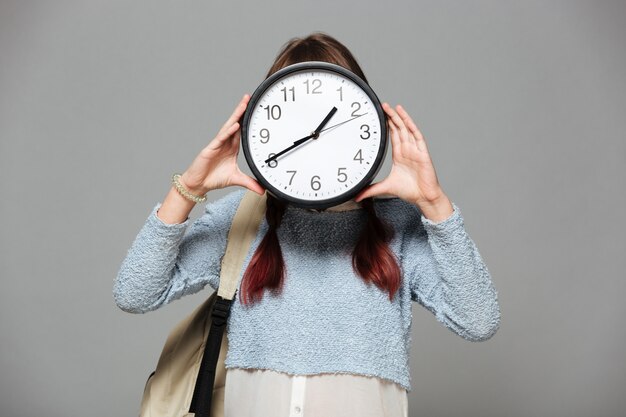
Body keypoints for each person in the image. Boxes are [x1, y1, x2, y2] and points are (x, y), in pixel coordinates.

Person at [114, 32, 501, 417]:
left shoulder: (396, 222)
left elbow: (478, 319)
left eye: (329, 122)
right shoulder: (245, 217)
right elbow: (135, 292)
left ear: (366, 124)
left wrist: (434, 204)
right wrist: (188, 189)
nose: (315, 137)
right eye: (298, 124)